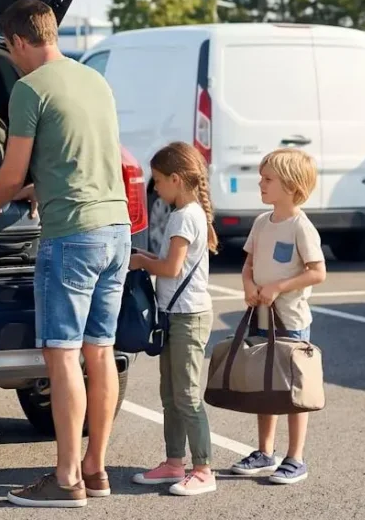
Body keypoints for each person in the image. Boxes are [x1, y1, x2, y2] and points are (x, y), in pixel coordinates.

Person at [0, 0, 130, 509]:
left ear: (16, 42)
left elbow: (10, 174)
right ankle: (95, 470)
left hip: (72, 237)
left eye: (9, 50)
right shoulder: (94, 80)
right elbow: (86, 154)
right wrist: (45, 183)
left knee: (60, 359)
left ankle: (64, 480)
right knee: (99, 353)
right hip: (117, 230)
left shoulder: (28, 88)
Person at [231, 148, 327, 485]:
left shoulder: (301, 227)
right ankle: (264, 452)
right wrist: (247, 284)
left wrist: (278, 286)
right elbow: (248, 264)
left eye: (268, 179)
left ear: (290, 185)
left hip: (292, 322)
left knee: (293, 391)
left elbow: (318, 272)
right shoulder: (261, 222)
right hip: (261, 319)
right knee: (265, 386)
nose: (261, 183)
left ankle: (296, 457)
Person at [128, 142, 219, 496]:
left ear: (177, 179)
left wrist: (141, 263)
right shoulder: (189, 212)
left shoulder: (184, 216)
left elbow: (171, 268)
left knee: (185, 394)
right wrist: (148, 255)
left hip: (189, 317)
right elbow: (170, 263)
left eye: (159, 180)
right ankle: (173, 462)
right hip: (177, 314)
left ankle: (203, 468)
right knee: (170, 393)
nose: (155, 188)